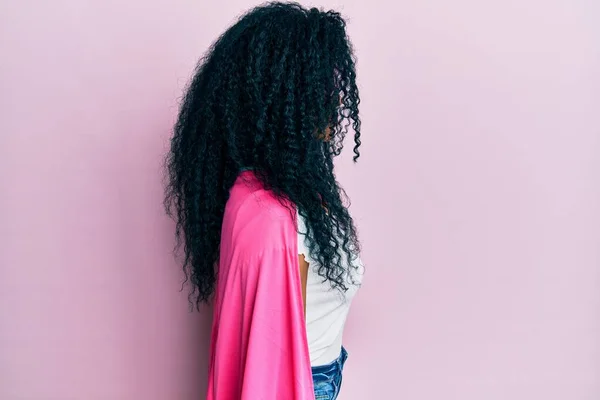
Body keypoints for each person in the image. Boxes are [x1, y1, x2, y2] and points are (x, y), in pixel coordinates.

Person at [164, 3, 364, 399]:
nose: (338, 102)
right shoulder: (271, 219)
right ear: (286, 100)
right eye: (324, 87)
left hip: (325, 372)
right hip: (306, 384)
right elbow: (268, 375)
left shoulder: (288, 190)